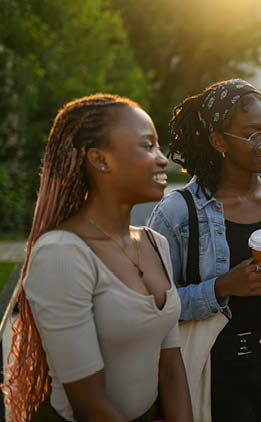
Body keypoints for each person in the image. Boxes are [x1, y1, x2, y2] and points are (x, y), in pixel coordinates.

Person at [4, 94, 192, 422]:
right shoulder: (62, 254)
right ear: (100, 159)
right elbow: (89, 406)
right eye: (148, 146)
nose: (163, 159)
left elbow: (171, 369)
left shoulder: (155, 243)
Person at [146, 79, 261, 422]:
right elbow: (153, 307)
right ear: (218, 141)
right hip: (207, 363)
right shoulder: (176, 214)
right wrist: (222, 287)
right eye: (253, 134)